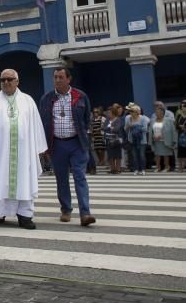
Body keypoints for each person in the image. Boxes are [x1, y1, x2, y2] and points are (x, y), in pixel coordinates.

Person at [0, 70, 46, 229]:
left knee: (24, 181)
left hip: (24, 153)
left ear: (17, 81)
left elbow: (36, 125)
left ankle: (25, 216)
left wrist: (38, 148)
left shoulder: (28, 100)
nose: (6, 82)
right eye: (3, 80)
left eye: (10, 79)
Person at [39, 67, 96, 226]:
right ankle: (66, 209)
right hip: (57, 144)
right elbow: (43, 122)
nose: (58, 80)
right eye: (55, 77)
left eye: (61, 77)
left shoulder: (80, 96)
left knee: (80, 177)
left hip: (77, 143)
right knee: (61, 179)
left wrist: (85, 138)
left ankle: (85, 213)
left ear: (68, 79)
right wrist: (44, 146)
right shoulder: (46, 98)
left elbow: (86, 119)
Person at [123, 103, 149, 175]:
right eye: (130, 111)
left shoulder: (143, 118)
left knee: (141, 155)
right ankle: (136, 169)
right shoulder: (128, 118)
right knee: (134, 156)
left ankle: (143, 169)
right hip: (132, 139)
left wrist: (136, 128)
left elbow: (145, 129)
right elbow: (125, 129)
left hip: (141, 140)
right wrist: (128, 127)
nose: (130, 112)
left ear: (137, 112)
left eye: (132, 111)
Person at [151, 104, 177, 173]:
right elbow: (151, 131)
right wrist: (152, 137)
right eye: (156, 112)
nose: (156, 113)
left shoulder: (168, 120)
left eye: (158, 112)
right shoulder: (153, 120)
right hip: (156, 140)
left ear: (162, 112)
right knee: (157, 155)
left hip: (165, 140)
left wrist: (163, 136)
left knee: (166, 154)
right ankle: (158, 167)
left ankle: (167, 167)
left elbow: (172, 131)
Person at [102, 104, 125, 174]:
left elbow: (117, 129)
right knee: (110, 155)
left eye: (109, 113)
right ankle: (112, 169)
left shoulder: (118, 119)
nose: (108, 114)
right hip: (108, 139)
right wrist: (110, 128)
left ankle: (118, 169)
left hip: (116, 140)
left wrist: (109, 128)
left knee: (117, 155)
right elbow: (103, 128)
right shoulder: (107, 120)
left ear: (113, 113)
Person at [90, 107, 107, 172]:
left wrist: (99, 129)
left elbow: (105, 126)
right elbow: (91, 126)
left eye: (97, 112)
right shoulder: (93, 119)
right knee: (96, 149)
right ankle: (100, 160)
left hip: (101, 135)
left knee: (101, 149)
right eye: (94, 112)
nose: (95, 113)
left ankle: (102, 160)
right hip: (95, 136)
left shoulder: (102, 118)